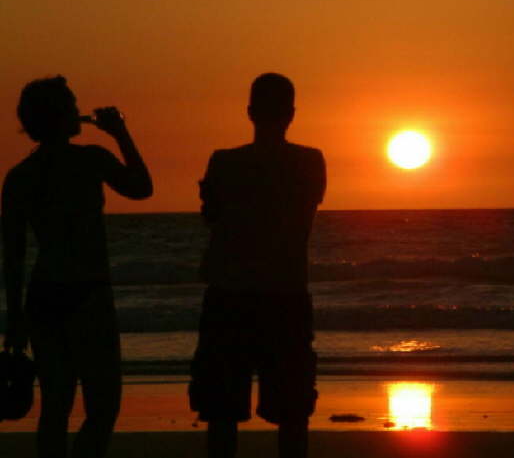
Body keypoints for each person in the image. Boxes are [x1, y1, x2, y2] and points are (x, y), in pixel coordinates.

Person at [2, 75, 152, 458]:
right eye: (70, 105)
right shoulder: (90, 160)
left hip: (45, 295)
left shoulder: (20, 177)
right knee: (103, 407)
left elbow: (14, 255)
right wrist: (120, 133)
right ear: (58, 116)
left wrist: (15, 316)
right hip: (88, 294)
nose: (77, 111)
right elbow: (141, 187)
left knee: (56, 406)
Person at [189, 73, 326, 458]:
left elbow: (214, 218)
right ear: (291, 114)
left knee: (221, 411)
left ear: (250, 112)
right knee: (292, 412)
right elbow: (301, 217)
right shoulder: (309, 161)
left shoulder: (224, 162)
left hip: (230, 294)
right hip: (284, 293)